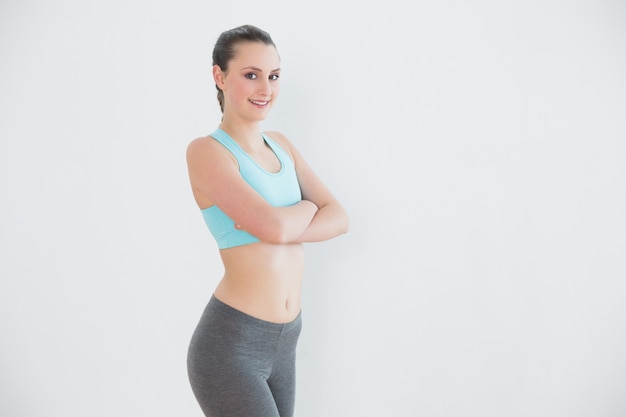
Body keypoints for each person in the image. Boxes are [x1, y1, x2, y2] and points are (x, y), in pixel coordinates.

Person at [185, 24, 349, 417]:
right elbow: (276, 230)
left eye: (273, 76)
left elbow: (340, 217)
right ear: (219, 76)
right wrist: (306, 209)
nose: (266, 89)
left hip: (286, 342)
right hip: (231, 346)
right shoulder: (207, 152)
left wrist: (287, 219)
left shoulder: (282, 145)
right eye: (251, 75)